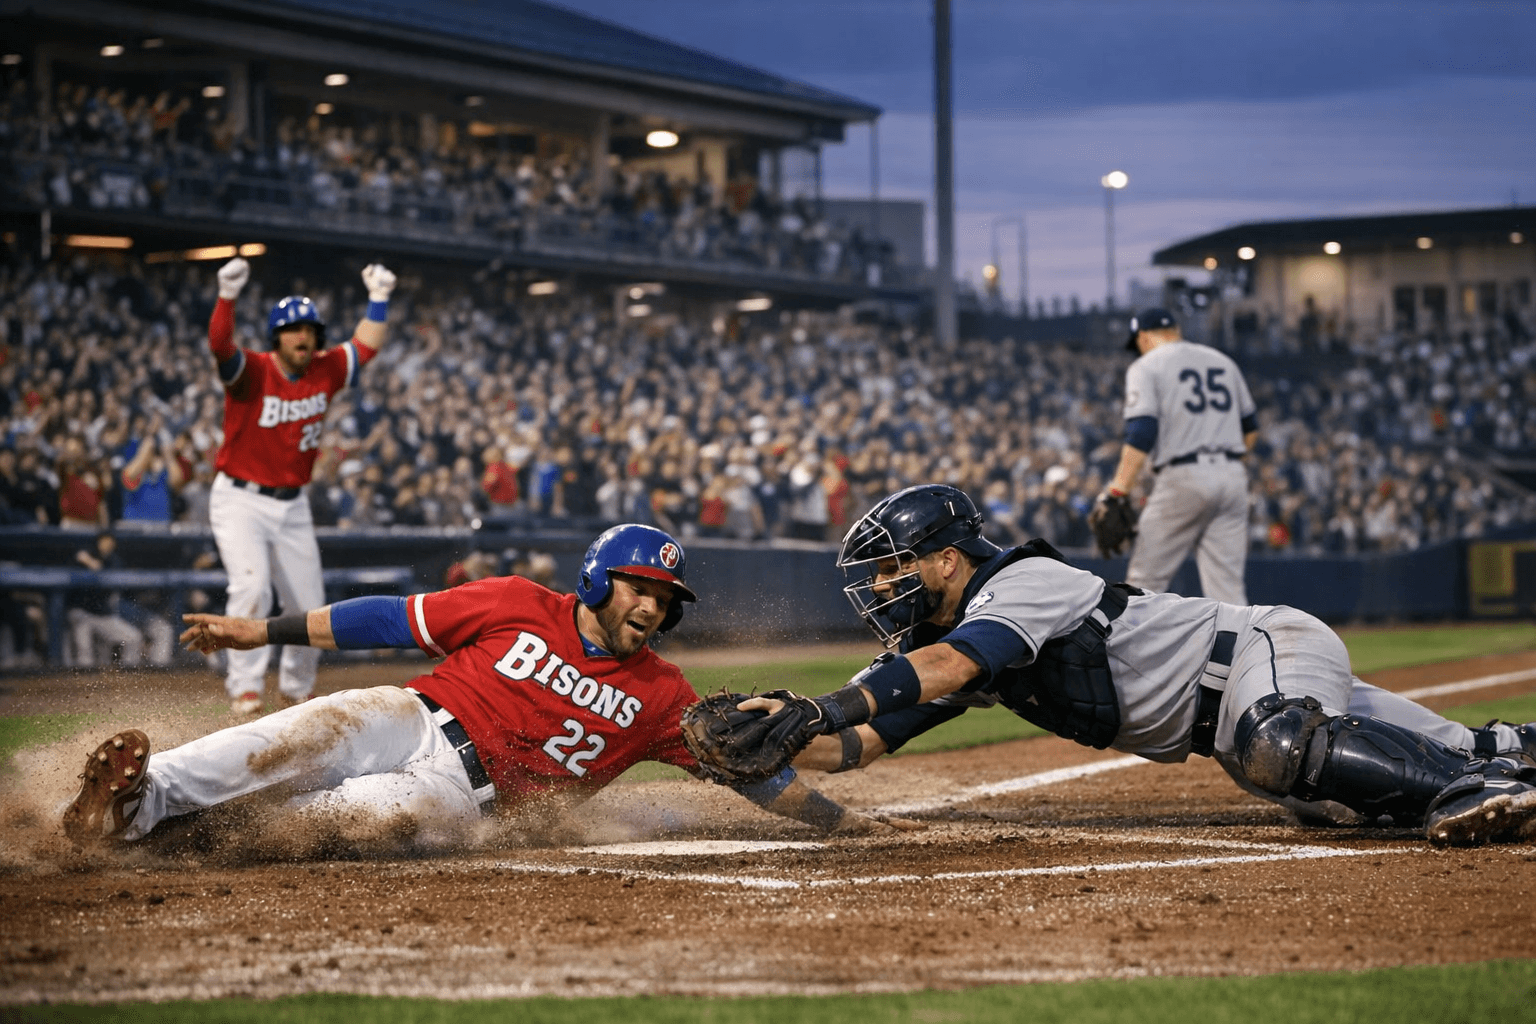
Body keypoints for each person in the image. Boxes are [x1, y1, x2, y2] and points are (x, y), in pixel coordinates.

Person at [745, 484, 1536, 847]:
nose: (881, 589)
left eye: (893, 569)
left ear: (948, 561)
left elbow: (953, 665)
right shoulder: (949, 638)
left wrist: (821, 705)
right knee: (1451, 752)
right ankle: (1501, 762)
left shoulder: (1021, 583)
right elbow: (857, 744)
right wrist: (771, 736)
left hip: (1257, 651)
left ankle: (1472, 799)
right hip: (1225, 717)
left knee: (1279, 750)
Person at [62, 524, 890, 850]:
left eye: (665, 598)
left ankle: (174, 840)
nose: (652, 605)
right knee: (289, 735)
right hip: (411, 716)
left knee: (346, 823)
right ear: (599, 580)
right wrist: (262, 628)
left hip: (468, 799)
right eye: (640, 587)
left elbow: (751, 768)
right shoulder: (516, 602)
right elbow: (387, 618)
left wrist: (838, 819)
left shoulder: (663, 694)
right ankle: (140, 798)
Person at [206, 256, 397, 715]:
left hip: (292, 505)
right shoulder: (253, 370)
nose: (302, 336)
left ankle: (295, 688)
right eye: (293, 330)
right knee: (250, 589)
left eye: (309, 329)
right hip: (240, 498)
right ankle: (245, 690)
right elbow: (219, 345)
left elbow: (364, 347)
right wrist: (226, 297)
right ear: (277, 336)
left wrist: (379, 299)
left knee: (309, 605)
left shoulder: (325, 369)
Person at [1097, 309, 1256, 603]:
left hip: (1184, 477)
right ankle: (1242, 649)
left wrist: (1118, 491)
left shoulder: (1147, 366)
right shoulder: (1222, 361)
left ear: (1143, 337)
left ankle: (1130, 649)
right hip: (1232, 476)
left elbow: (1142, 432)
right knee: (1228, 591)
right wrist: (1229, 468)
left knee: (1144, 582)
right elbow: (1250, 428)